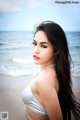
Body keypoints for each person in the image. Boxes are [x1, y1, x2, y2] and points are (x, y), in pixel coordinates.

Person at [22, 21, 80, 120]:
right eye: (34, 43)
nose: (36, 50)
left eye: (43, 46)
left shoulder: (44, 80)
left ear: (56, 50)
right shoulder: (54, 72)